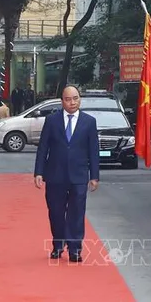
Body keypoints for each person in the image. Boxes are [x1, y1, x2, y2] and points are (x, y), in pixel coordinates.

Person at [33, 85, 100, 262]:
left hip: (79, 175)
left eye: (75, 98)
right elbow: (43, 148)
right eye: (68, 99)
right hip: (55, 174)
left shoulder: (89, 122)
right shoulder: (52, 120)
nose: (72, 102)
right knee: (56, 211)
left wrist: (94, 176)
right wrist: (38, 172)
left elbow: (93, 150)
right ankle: (57, 244)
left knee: (77, 212)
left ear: (80, 99)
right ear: (62, 101)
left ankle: (75, 248)